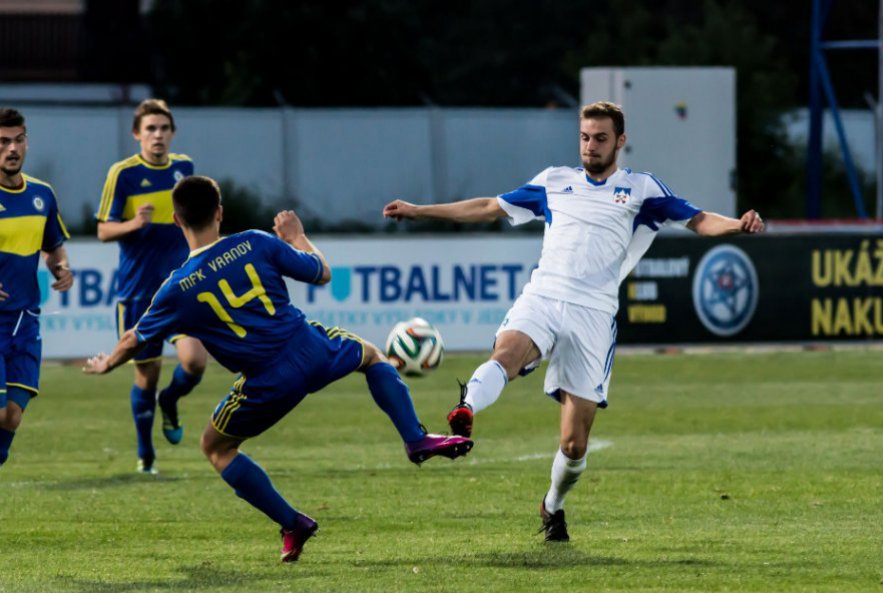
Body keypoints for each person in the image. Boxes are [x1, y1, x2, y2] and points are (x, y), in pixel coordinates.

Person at [383, 100, 765, 542]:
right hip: (544, 296)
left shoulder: (641, 189)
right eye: (585, 138)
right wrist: (418, 210)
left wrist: (738, 223)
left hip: (593, 316)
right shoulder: (554, 182)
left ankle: (552, 505)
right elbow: (489, 205)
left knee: (573, 445)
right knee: (506, 353)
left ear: (620, 141)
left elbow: (698, 220)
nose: (590, 147)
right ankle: (466, 407)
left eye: (600, 138)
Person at [84, 175, 473, 562]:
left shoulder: (175, 288)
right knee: (372, 356)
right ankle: (414, 437)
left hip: (267, 383)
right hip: (313, 348)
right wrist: (296, 235)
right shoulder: (255, 240)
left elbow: (134, 338)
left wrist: (108, 363)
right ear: (220, 213)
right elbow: (321, 272)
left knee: (216, 447)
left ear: (176, 221)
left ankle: (293, 523)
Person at [96, 99, 208, 474]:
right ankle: (146, 454)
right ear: (137, 134)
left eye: (163, 128)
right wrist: (133, 225)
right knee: (147, 373)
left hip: (179, 287)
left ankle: (171, 402)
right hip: (138, 290)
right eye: (150, 129)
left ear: (172, 132)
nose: (157, 135)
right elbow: (103, 229)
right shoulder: (123, 174)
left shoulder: (184, 168)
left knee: (194, 362)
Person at [0, 107, 74, 468]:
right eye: (2, 142)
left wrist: (61, 266)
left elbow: (53, 245)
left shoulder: (42, 195)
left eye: (18, 140)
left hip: (24, 321)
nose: (11, 148)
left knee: (12, 416)